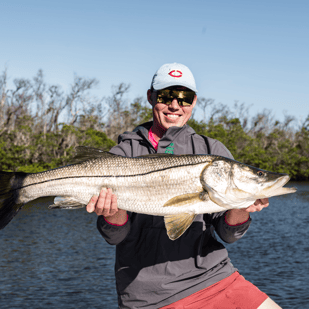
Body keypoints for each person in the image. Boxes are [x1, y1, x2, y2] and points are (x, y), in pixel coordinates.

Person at [86, 63, 282, 309]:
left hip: (216, 278)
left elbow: (228, 235)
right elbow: (113, 236)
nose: (175, 105)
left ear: (194, 101)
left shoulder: (213, 152)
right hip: (149, 297)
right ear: (150, 97)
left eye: (184, 97)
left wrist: (242, 204)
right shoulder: (124, 153)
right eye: (166, 95)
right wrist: (113, 211)